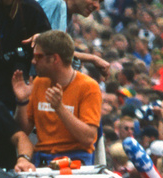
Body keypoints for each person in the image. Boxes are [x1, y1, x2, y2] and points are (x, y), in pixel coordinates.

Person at [14, 29, 101, 166]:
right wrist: (22, 101)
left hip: (76, 161)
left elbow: (88, 138)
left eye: (38, 56)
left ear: (54, 59)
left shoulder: (88, 86)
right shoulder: (39, 82)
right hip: (43, 158)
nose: (33, 62)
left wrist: (59, 108)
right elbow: (24, 130)